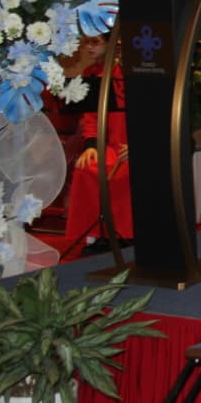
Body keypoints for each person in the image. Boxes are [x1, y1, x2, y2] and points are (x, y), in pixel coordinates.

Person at [61, 34, 133, 254]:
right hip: (110, 146)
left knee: (125, 171)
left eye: (95, 42)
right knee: (87, 167)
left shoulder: (137, 77)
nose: (89, 47)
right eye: (87, 43)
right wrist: (91, 146)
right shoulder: (98, 76)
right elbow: (91, 118)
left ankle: (127, 233)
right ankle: (96, 234)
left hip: (133, 146)